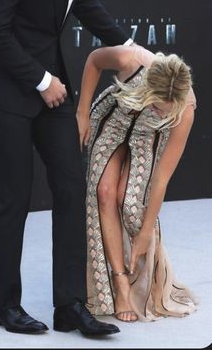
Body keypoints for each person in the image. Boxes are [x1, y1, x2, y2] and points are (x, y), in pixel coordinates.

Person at [0, 0, 133, 336]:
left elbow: (90, 10)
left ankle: (70, 305)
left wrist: (138, 54)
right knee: (15, 196)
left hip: (53, 90)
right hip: (9, 89)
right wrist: (42, 80)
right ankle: (3, 305)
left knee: (71, 187)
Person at [77, 43, 198, 323]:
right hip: (111, 121)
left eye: (164, 111)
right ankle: (119, 284)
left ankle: (150, 282)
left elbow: (162, 177)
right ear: (148, 89)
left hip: (147, 138)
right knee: (103, 193)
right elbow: (94, 60)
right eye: (155, 105)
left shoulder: (185, 108)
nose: (158, 111)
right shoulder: (130, 59)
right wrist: (82, 112)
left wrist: (144, 232)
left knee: (131, 204)